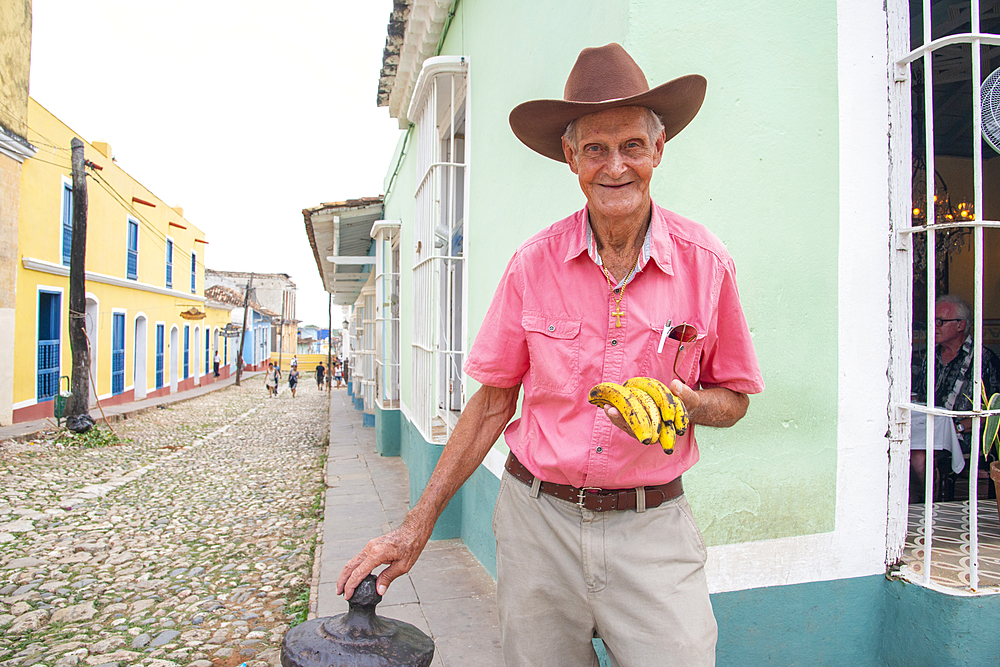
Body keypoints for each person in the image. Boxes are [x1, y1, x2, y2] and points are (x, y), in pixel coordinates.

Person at [337, 43, 764, 666]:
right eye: (595, 148)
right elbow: (491, 406)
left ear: (659, 150)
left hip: (653, 527)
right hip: (538, 524)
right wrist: (416, 525)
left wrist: (690, 403)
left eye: (632, 147)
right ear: (571, 157)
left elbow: (735, 398)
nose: (615, 166)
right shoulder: (532, 265)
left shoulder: (707, 265)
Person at [911, 294, 1000, 500]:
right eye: (932, 322)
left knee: (918, 456)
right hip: (927, 428)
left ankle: (930, 508)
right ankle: (913, 509)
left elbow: (993, 412)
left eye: (940, 321)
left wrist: (958, 426)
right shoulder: (929, 357)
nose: (935, 327)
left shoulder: (983, 360)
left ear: (961, 326)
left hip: (964, 434)